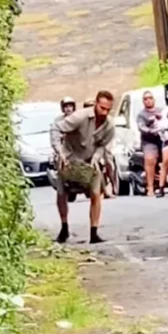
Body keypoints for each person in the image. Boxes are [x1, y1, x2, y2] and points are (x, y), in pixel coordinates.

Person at [50, 90, 116, 244]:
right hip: (70, 158)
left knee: (96, 193)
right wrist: (60, 152)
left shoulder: (110, 125)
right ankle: (64, 227)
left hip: (89, 161)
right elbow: (56, 128)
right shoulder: (80, 117)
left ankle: (94, 232)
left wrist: (96, 158)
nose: (104, 112)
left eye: (108, 109)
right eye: (102, 108)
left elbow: (103, 145)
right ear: (96, 104)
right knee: (61, 192)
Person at [137, 90, 165, 197]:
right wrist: (150, 129)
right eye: (145, 99)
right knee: (150, 159)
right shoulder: (141, 115)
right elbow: (141, 127)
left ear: (154, 99)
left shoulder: (161, 111)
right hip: (149, 140)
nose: (148, 100)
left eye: (150, 98)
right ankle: (150, 187)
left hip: (163, 139)